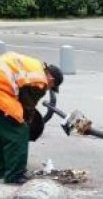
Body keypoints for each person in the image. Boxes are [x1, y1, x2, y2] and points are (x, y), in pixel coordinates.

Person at [0, 52, 63, 184]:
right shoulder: (40, 80)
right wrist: (28, 124)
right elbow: (28, 105)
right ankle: (15, 175)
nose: (48, 88)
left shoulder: (35, 66)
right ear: (51, 80)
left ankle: (3, 169)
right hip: (2, 93)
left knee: (5, 132)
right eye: (52, 86)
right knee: (19, 132)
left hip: (4, 89)